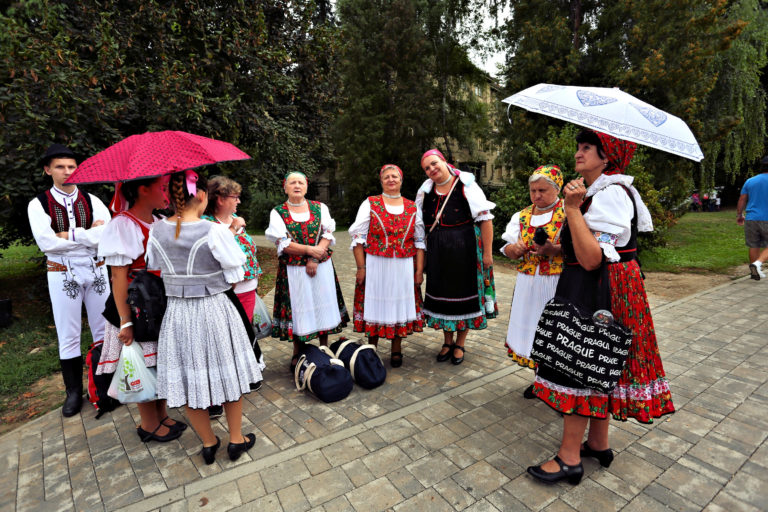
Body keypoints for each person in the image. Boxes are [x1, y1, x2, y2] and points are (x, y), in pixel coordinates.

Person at [526, 129, 674, 485]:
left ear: (608, 157)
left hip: (597, 292)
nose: (578, 153)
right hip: (597, 288)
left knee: (580, 364)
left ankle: (569, 459)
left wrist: (571, 208)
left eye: (587, 148)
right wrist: (553, 250)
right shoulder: (598, 191)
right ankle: (598, 443)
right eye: (579, 147)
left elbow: (593, 259)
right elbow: (585, 245)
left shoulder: (610, 195)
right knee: (598, 365)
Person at [147, 170, 263, 464]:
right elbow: (237, 269)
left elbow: (154, 265)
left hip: (177, 314)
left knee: (189, 379)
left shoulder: (156, 230)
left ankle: (209, 442)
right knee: (230, 373)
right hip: (213, 309)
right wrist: (233, 234)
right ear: (200, 195)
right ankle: (236, 440)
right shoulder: (213, 231)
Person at [97, 175, 186, 442]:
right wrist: (125, 320)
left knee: (159, 360)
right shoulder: (123, 225)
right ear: (143, 190)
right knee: (144, 361)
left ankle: (161, 414)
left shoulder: (158, 221)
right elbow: (118, 276)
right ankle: (148, 424)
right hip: (136, 305)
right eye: (162, 187)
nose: (167, 192)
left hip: (156, 301)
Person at [28, 144, 111, 417]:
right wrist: (87, 233)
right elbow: (46, 243)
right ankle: (73, 392)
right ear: (47, 170)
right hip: (61, 272)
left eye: (71, 166)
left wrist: (68, 236)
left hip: (97, 269)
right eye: (60, 167)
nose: (67, 172)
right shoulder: (38, 204)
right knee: (68, 333)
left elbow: (106, 235)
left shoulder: (92, 200)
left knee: (104, 328)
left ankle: (104, 385)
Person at [415, 149, 497, 365]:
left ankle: (460, 343)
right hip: (438, 253)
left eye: (434, 164)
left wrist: (487, 255)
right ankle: (447, 341)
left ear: (444, 161)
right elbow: (420, 226)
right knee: (442, 297)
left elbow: (485, 220)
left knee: (464, 297)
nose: (432, 169)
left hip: (465, 249)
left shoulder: (466, 185)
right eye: (427, 168)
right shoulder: (425, 191)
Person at [265, 171, 349, 371]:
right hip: (294, 271)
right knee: (299, 308)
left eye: (300, 182)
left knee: (322, 304)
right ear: (285, 187)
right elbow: (283, 244)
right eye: (292, 182)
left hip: (320, 267)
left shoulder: (320, 208)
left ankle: (323, 347)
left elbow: (327, 233)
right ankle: (299, 350)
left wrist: (314, 257)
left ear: (306, 186)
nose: (296, 186)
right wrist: (310, 250)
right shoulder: (278, 212)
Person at [348, 164, 425, 367]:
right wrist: (361, 267)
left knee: (398, 304)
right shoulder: (370, 203)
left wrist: (418, 271)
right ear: (381, 181)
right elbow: (358, 237)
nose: (391, 179)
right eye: (386, 177)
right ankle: (372, 348)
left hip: (403, 266)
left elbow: (419, 241)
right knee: (376, 303)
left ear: (401, 180)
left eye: (395, 176)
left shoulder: (412, 207)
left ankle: (396, 348)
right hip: (376, 264)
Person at [203, 176, 266, 418]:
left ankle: (243, 376)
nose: (238, 201)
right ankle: (220, 389)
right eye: (234, 197)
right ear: (219, 199)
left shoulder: (234, 220)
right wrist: (233, 228)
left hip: (248, 287)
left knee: (243, 333)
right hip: (224, 291)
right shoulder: (207, 223)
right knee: (223, 338)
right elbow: (214, 253)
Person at [500, 165, 564, 397]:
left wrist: (554, 249)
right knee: (534, 329)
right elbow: (506, 248)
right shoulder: (522, 215)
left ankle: (559, 385)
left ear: (557, 190)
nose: (537, 195)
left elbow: (582, 246)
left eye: (543, 190)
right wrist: (513, 249)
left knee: (556, 331)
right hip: (529, 282)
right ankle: (540, 379)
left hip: (558, 282)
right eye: (533, 190)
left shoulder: (569, 212)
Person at [737, 156, 768, 280]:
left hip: (751, 218)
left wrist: (739, 215)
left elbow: (742, 199)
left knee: (754, 245)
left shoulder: (750, 181)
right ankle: (758, 263)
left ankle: (755, 273)